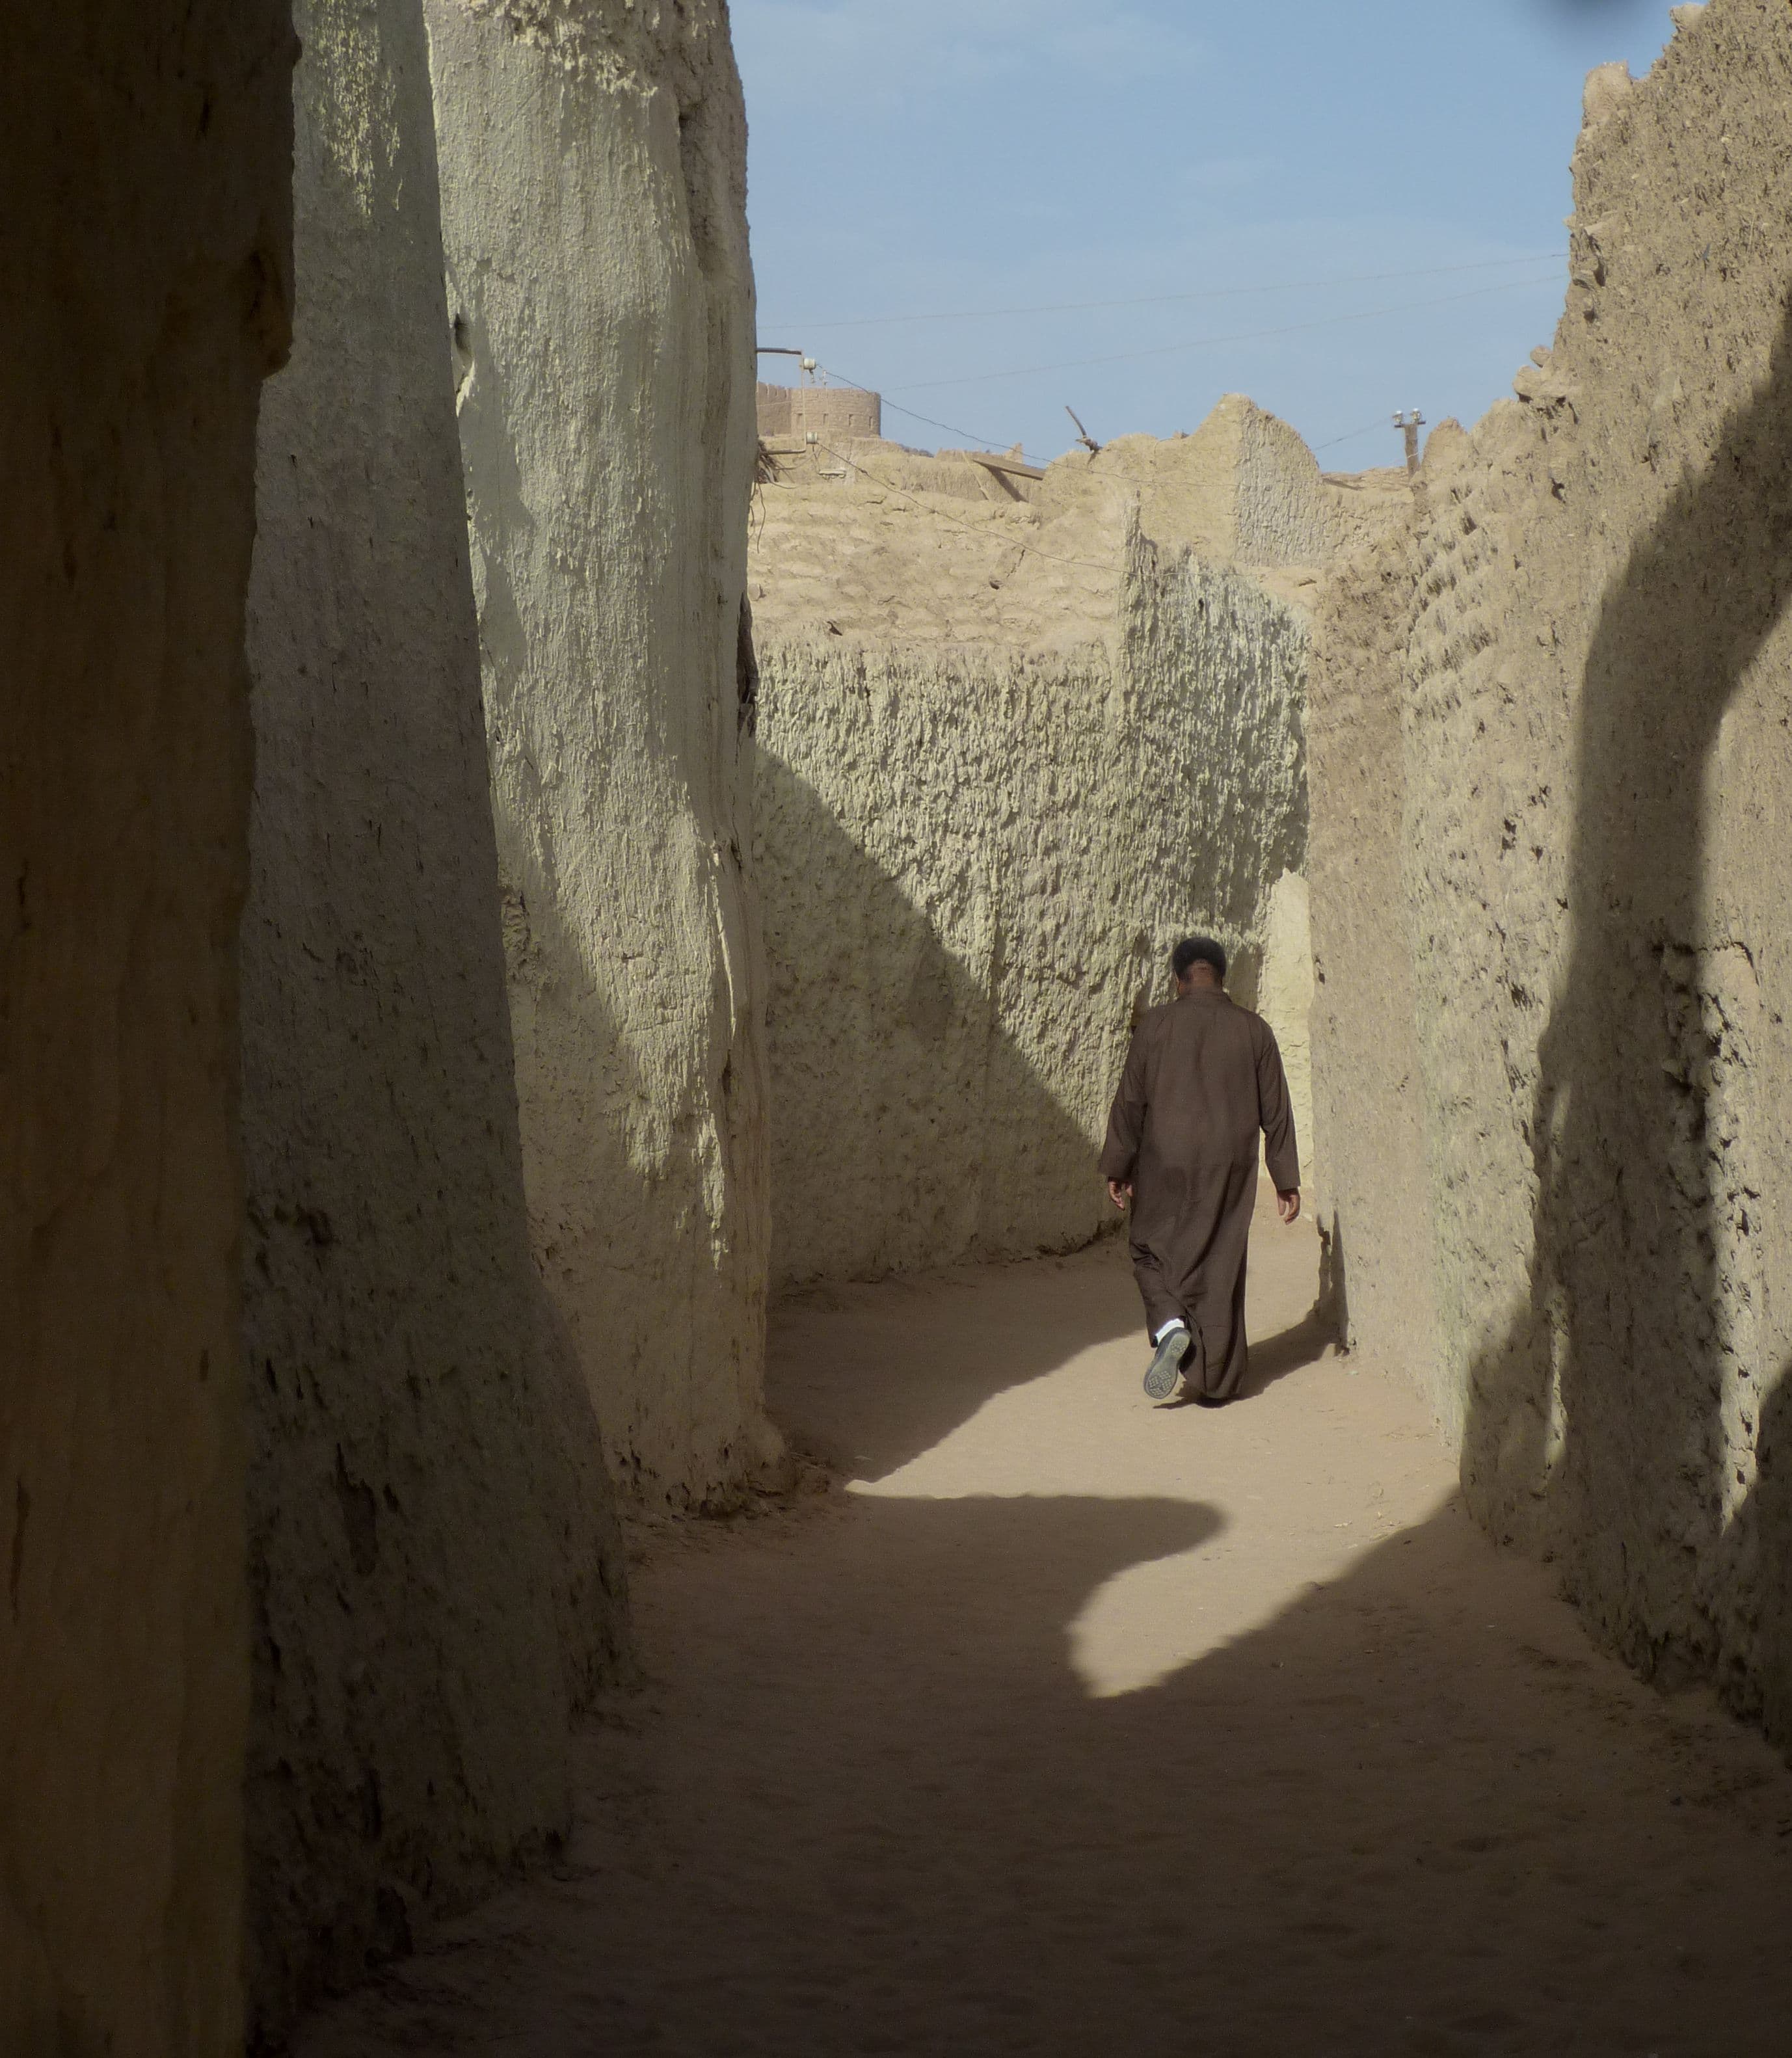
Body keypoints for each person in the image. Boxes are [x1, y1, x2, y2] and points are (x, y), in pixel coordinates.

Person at [1099, 935, 1300, 1406]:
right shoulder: (1255, 1030)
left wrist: (1118, 1164)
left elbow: (1130, 1101)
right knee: (1220, 1258)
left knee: (1149, 1250)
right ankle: (1217, 1379)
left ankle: (1170, 1325)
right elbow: (1277, 1108)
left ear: (1177, 977)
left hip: (1163, 1159)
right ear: (1221, 975)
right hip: (1228, 1163)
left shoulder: (1155, 1026)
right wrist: (1285, 1176)